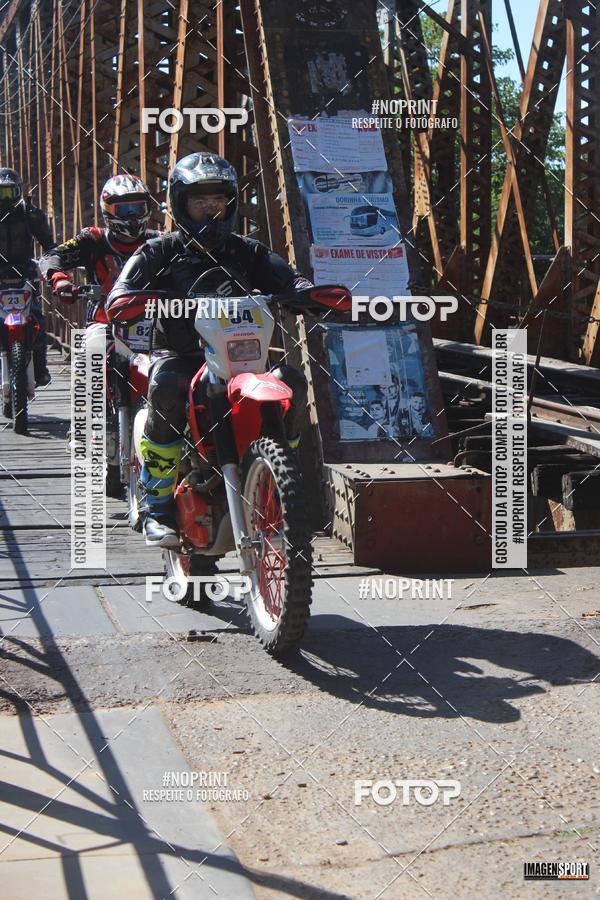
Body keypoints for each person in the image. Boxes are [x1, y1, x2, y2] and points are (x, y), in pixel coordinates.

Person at [106, 152, 312, 548]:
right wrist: (129, 299)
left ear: (230, 204)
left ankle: (286, 480)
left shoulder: (246, 250)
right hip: (181, 354)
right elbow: (122, 291)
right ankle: (157, 505)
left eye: (218, 200)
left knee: (292, 381)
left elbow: (289, 279)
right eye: (199, 201)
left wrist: (305, 292)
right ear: (180, 204)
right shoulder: (159, 251)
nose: (210, 209)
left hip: (242, 358)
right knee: (168, 386)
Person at [39, 173, 160, 333]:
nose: (132, 216)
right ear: (107, 210)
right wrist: (59, 280)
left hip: (151, 325)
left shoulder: (159, 242)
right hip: (101, 323)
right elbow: (51, 256)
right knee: (88, 347)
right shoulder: (93, 239)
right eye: (124, 210)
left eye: (137, 208)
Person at [0, 167, 56, 386]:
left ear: (19, 191)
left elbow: (49, 244)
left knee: (36, 318)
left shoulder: (30, 214)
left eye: (10, 192)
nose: (6, 199)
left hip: (25, 271)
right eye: (1, 193)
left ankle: (40, 368)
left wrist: (53, 265)